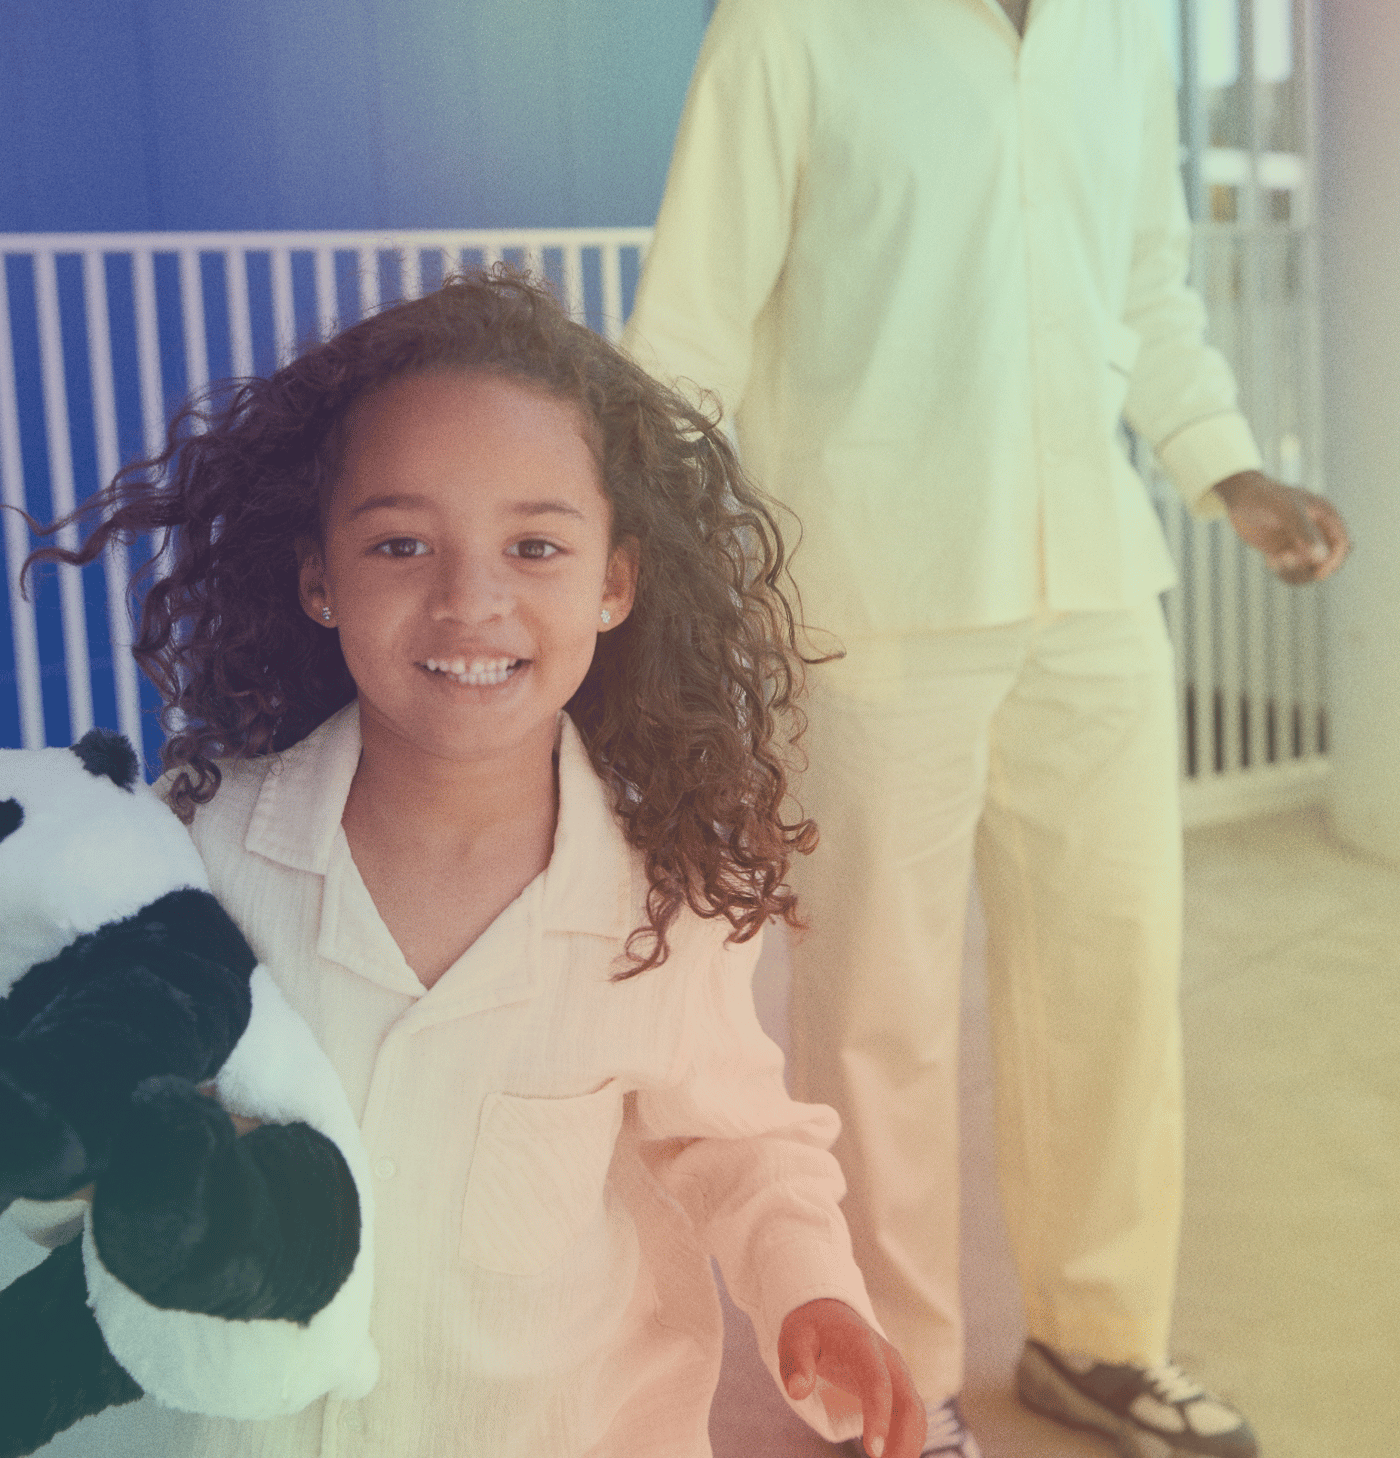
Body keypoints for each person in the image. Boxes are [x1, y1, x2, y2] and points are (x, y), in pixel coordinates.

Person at [623, 0, 1349, 1458]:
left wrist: (1225, 468)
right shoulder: (794, 12)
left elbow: (1153, 300)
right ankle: (906, 1383)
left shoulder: (1114, 30)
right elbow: (687, 340)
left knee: (1109, 992)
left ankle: (1097, 1338)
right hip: (874, 602)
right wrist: (650, 586)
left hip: (1098, 588)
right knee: (875, 1025)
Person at [28, 269, 928, 1458]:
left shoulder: (665, 894)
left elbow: (736, 1138)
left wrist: (815, 1289)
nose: (468, 601)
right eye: (400, 543)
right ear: (317, 576)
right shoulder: (190, 845)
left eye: (535, 546)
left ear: (614, 584)